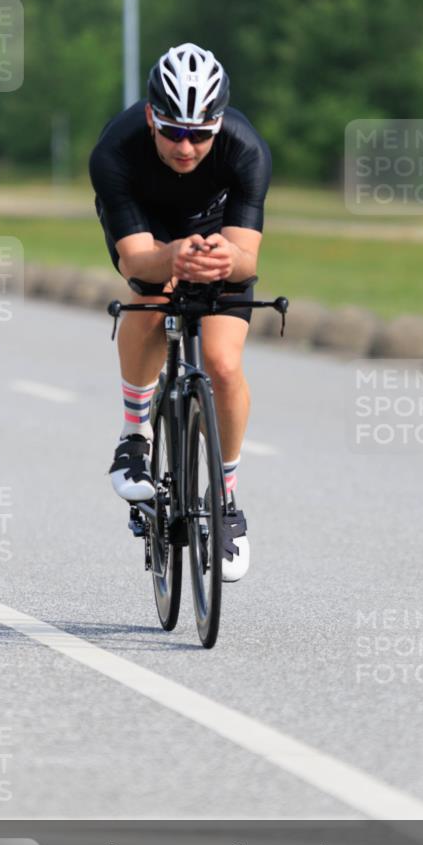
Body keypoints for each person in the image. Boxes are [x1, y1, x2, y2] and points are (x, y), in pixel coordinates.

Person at [89, 42, 271, 582]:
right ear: (150, 117)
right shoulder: (115, 152)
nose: (186, 147)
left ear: (218, 125)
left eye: (200, 134)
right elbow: (135, 258)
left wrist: (223, 257)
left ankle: (229, 501)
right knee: (149, 295)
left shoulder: (246, 150)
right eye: (172, 132)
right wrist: (170, 255)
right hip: (149, 236)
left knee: (223, 364)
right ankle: (133, 437)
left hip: (217, 239)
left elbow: (247, 257)